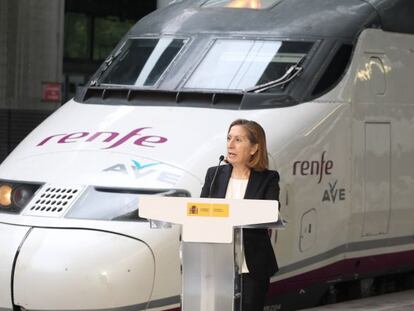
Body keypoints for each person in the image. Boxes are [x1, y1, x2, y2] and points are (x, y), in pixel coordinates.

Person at [200, 119, 280, 311]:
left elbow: (270, 212)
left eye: (238, 139)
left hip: (252, 265)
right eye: (229, 138)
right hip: (216, 263)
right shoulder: (214, 174)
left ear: (254, 148)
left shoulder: (268, 178)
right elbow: (200, 212)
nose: (230, 144)